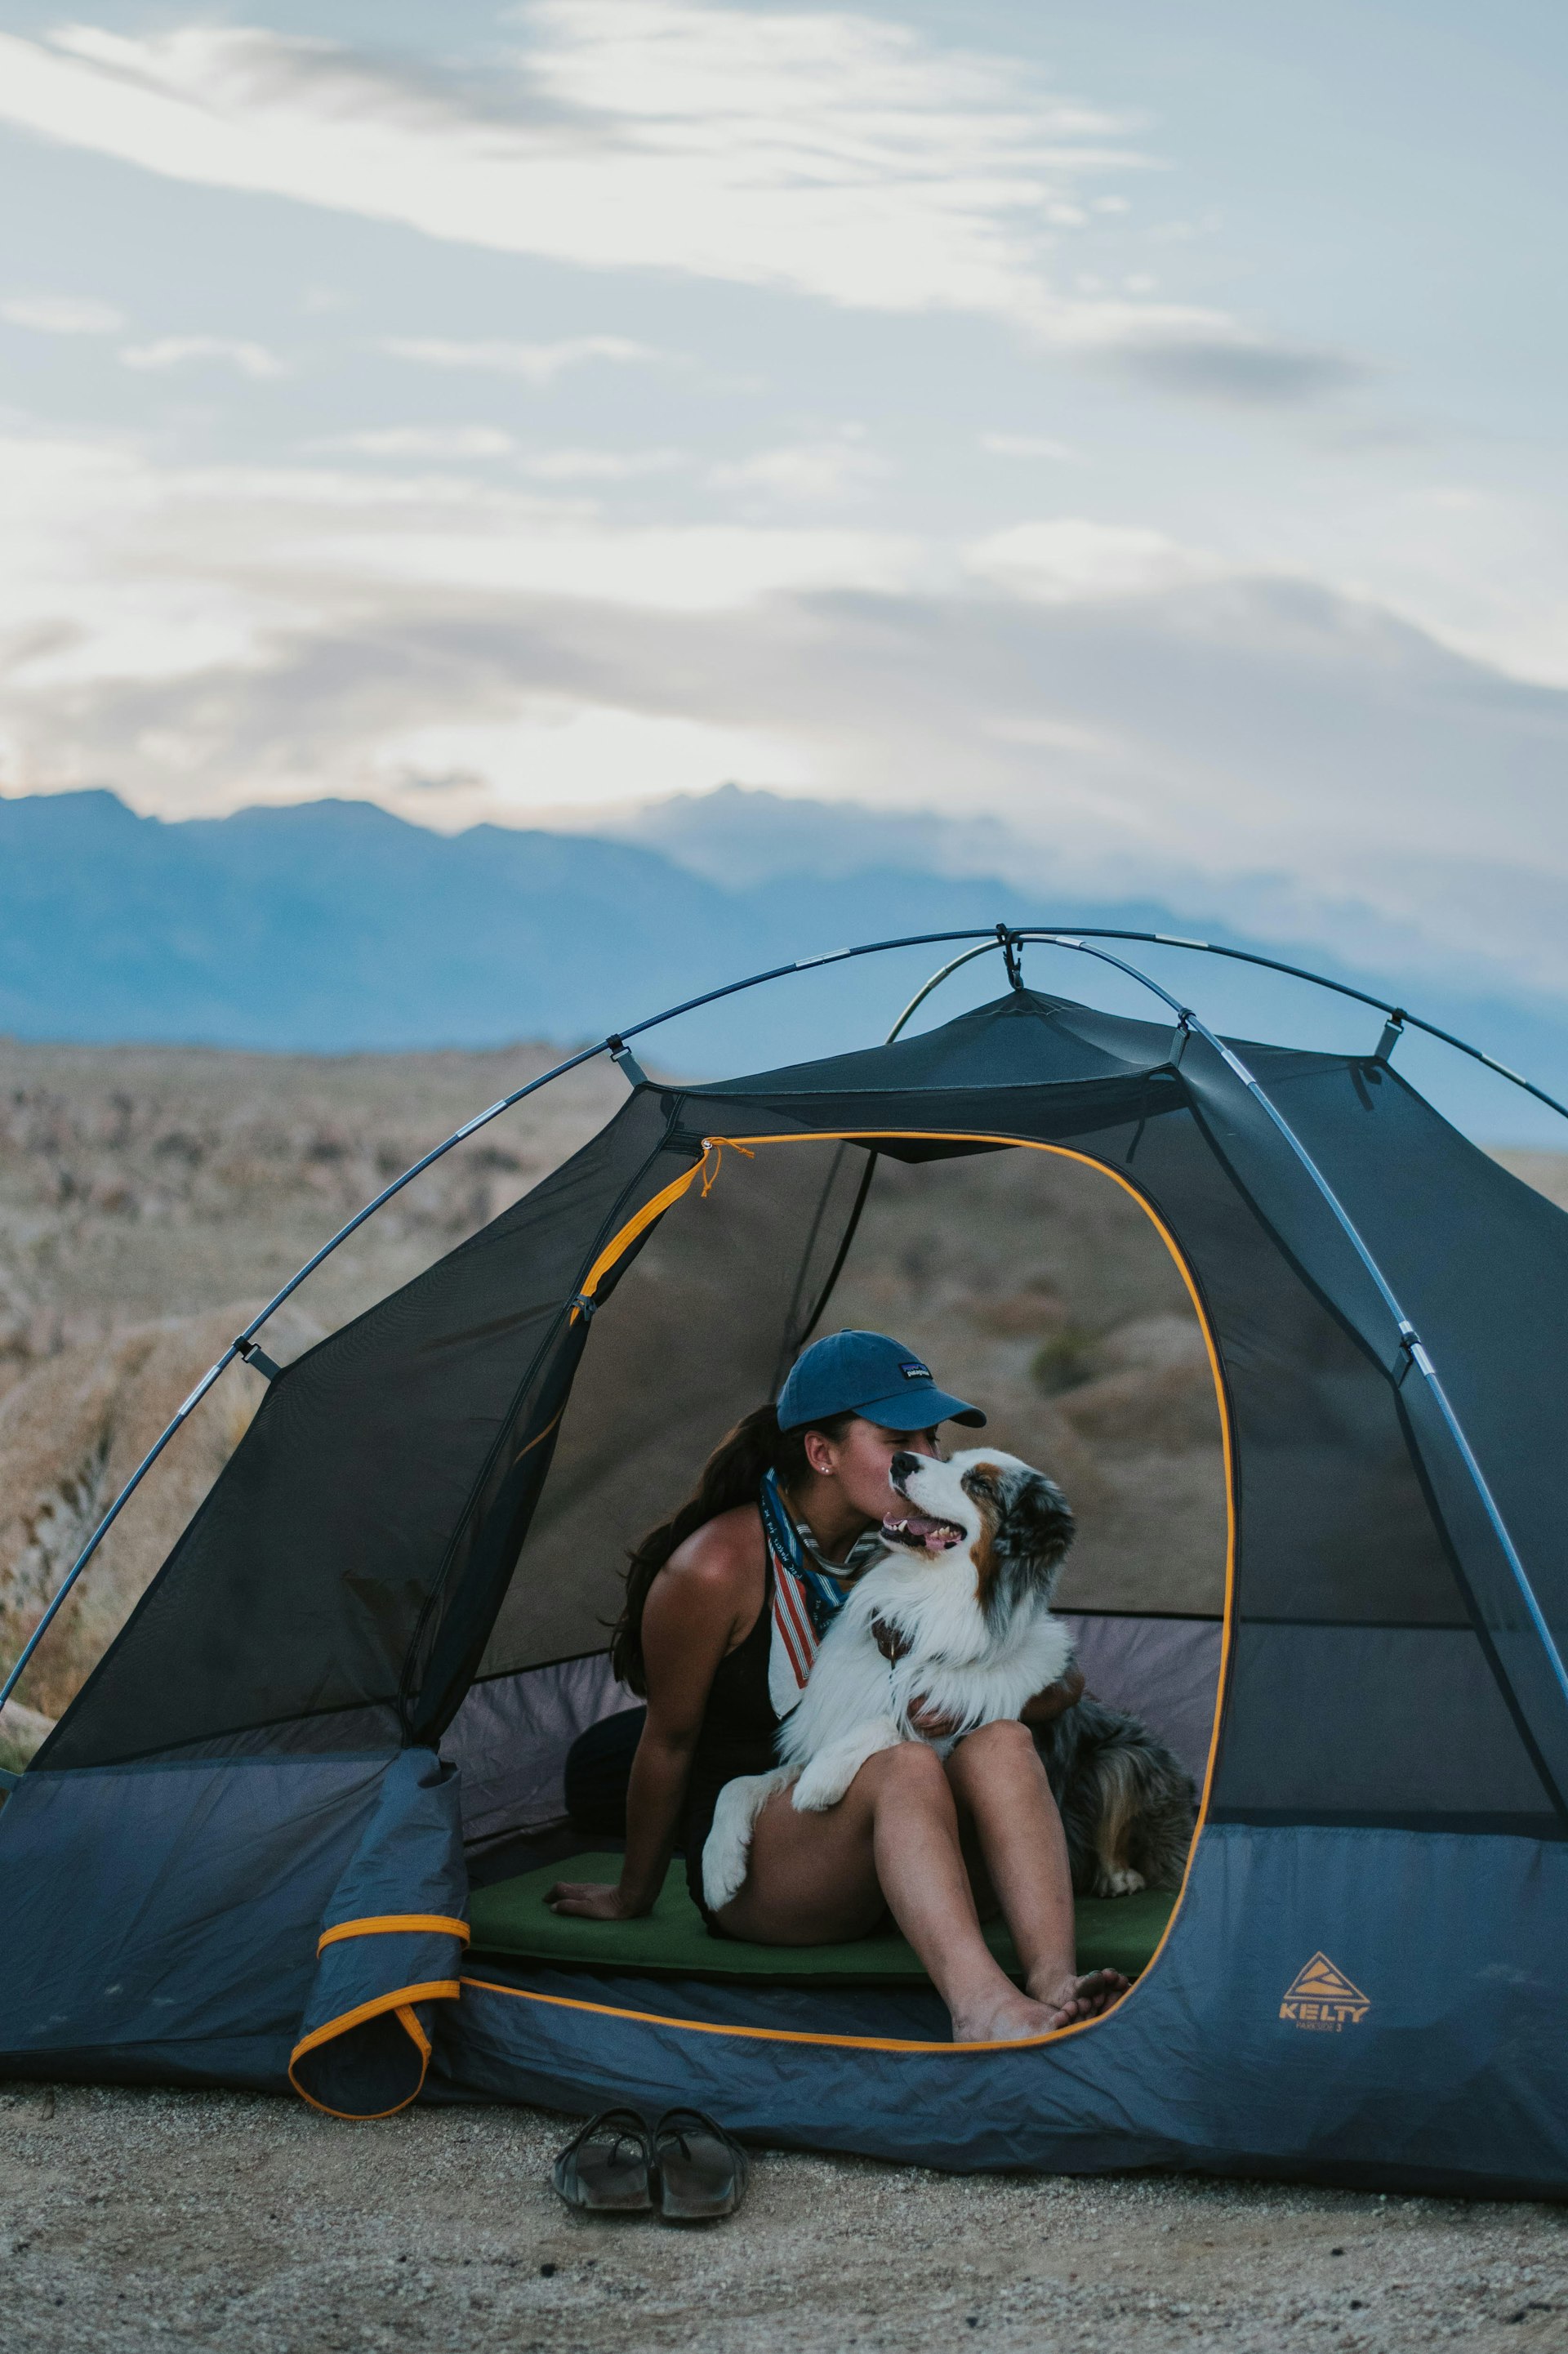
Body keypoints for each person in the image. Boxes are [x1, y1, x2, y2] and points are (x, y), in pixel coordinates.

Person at [547, 1330, 1128, 2044]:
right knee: (904, 1764)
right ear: (820, 1454)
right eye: (896, 1439)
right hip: (772, 1861)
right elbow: (668, 1742)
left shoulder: (926, 1540)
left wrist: (968, 1701)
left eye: (930, 1436)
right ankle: (982, 2008)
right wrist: (633, 1895)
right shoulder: (715, 1568)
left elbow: (1059, 1678)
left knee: (1003, 1740)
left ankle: (1053, 1982)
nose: (925, 1458)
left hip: (913, 1855)